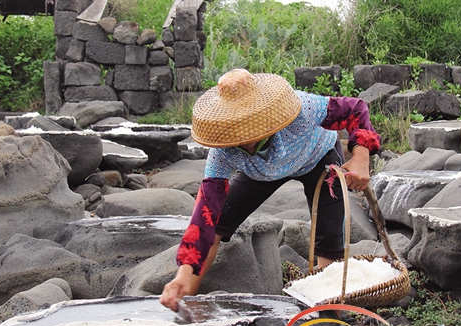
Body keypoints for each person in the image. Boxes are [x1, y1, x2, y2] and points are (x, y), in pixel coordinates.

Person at [160, 68, 380, 312]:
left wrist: (361, 157)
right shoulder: (223, 151)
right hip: (262, 172)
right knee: (220, 221)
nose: (246, 138)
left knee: (329, 233)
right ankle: (185, 299)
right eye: (237, 131)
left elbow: (354, 109)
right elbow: (205, 218)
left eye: (252, 128)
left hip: (317, 156)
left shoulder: (300, 108)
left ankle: (328, 308)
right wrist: (184, 273)